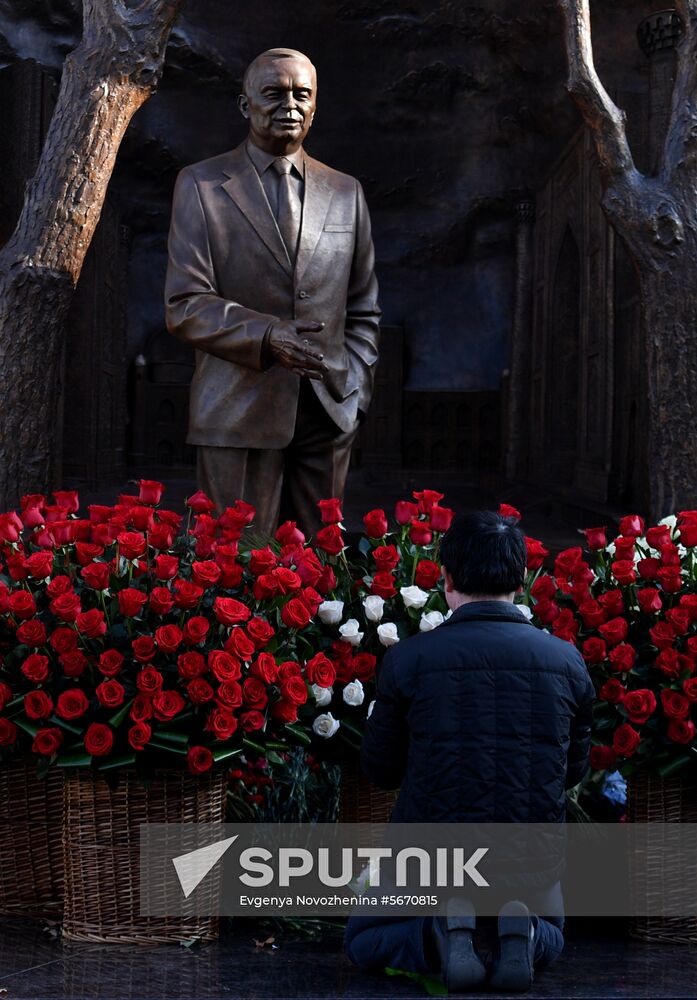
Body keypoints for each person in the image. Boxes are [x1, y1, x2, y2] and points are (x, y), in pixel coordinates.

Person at [345, 510, 595, 992]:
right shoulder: (566, 661)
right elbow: (571, 772)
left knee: (364, 937)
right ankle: (517, 937)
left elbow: (380, 769)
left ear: (447, 578)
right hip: (531, 861)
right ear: (521, 579)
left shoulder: (409, 659)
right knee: (556, 934)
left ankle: (438, 932)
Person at [165, 47, 380, 537]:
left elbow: (364, 306)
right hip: (236, 412)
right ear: (246, 106)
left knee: (321, 582)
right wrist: (267, 337)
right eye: (274, 93)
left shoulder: (346, 191)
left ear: (315, 106)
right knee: (235, 575)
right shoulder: (200, 185)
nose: (290, 105)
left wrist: (355, 391)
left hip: (329, 413)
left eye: (302, 95)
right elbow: (184, 304)